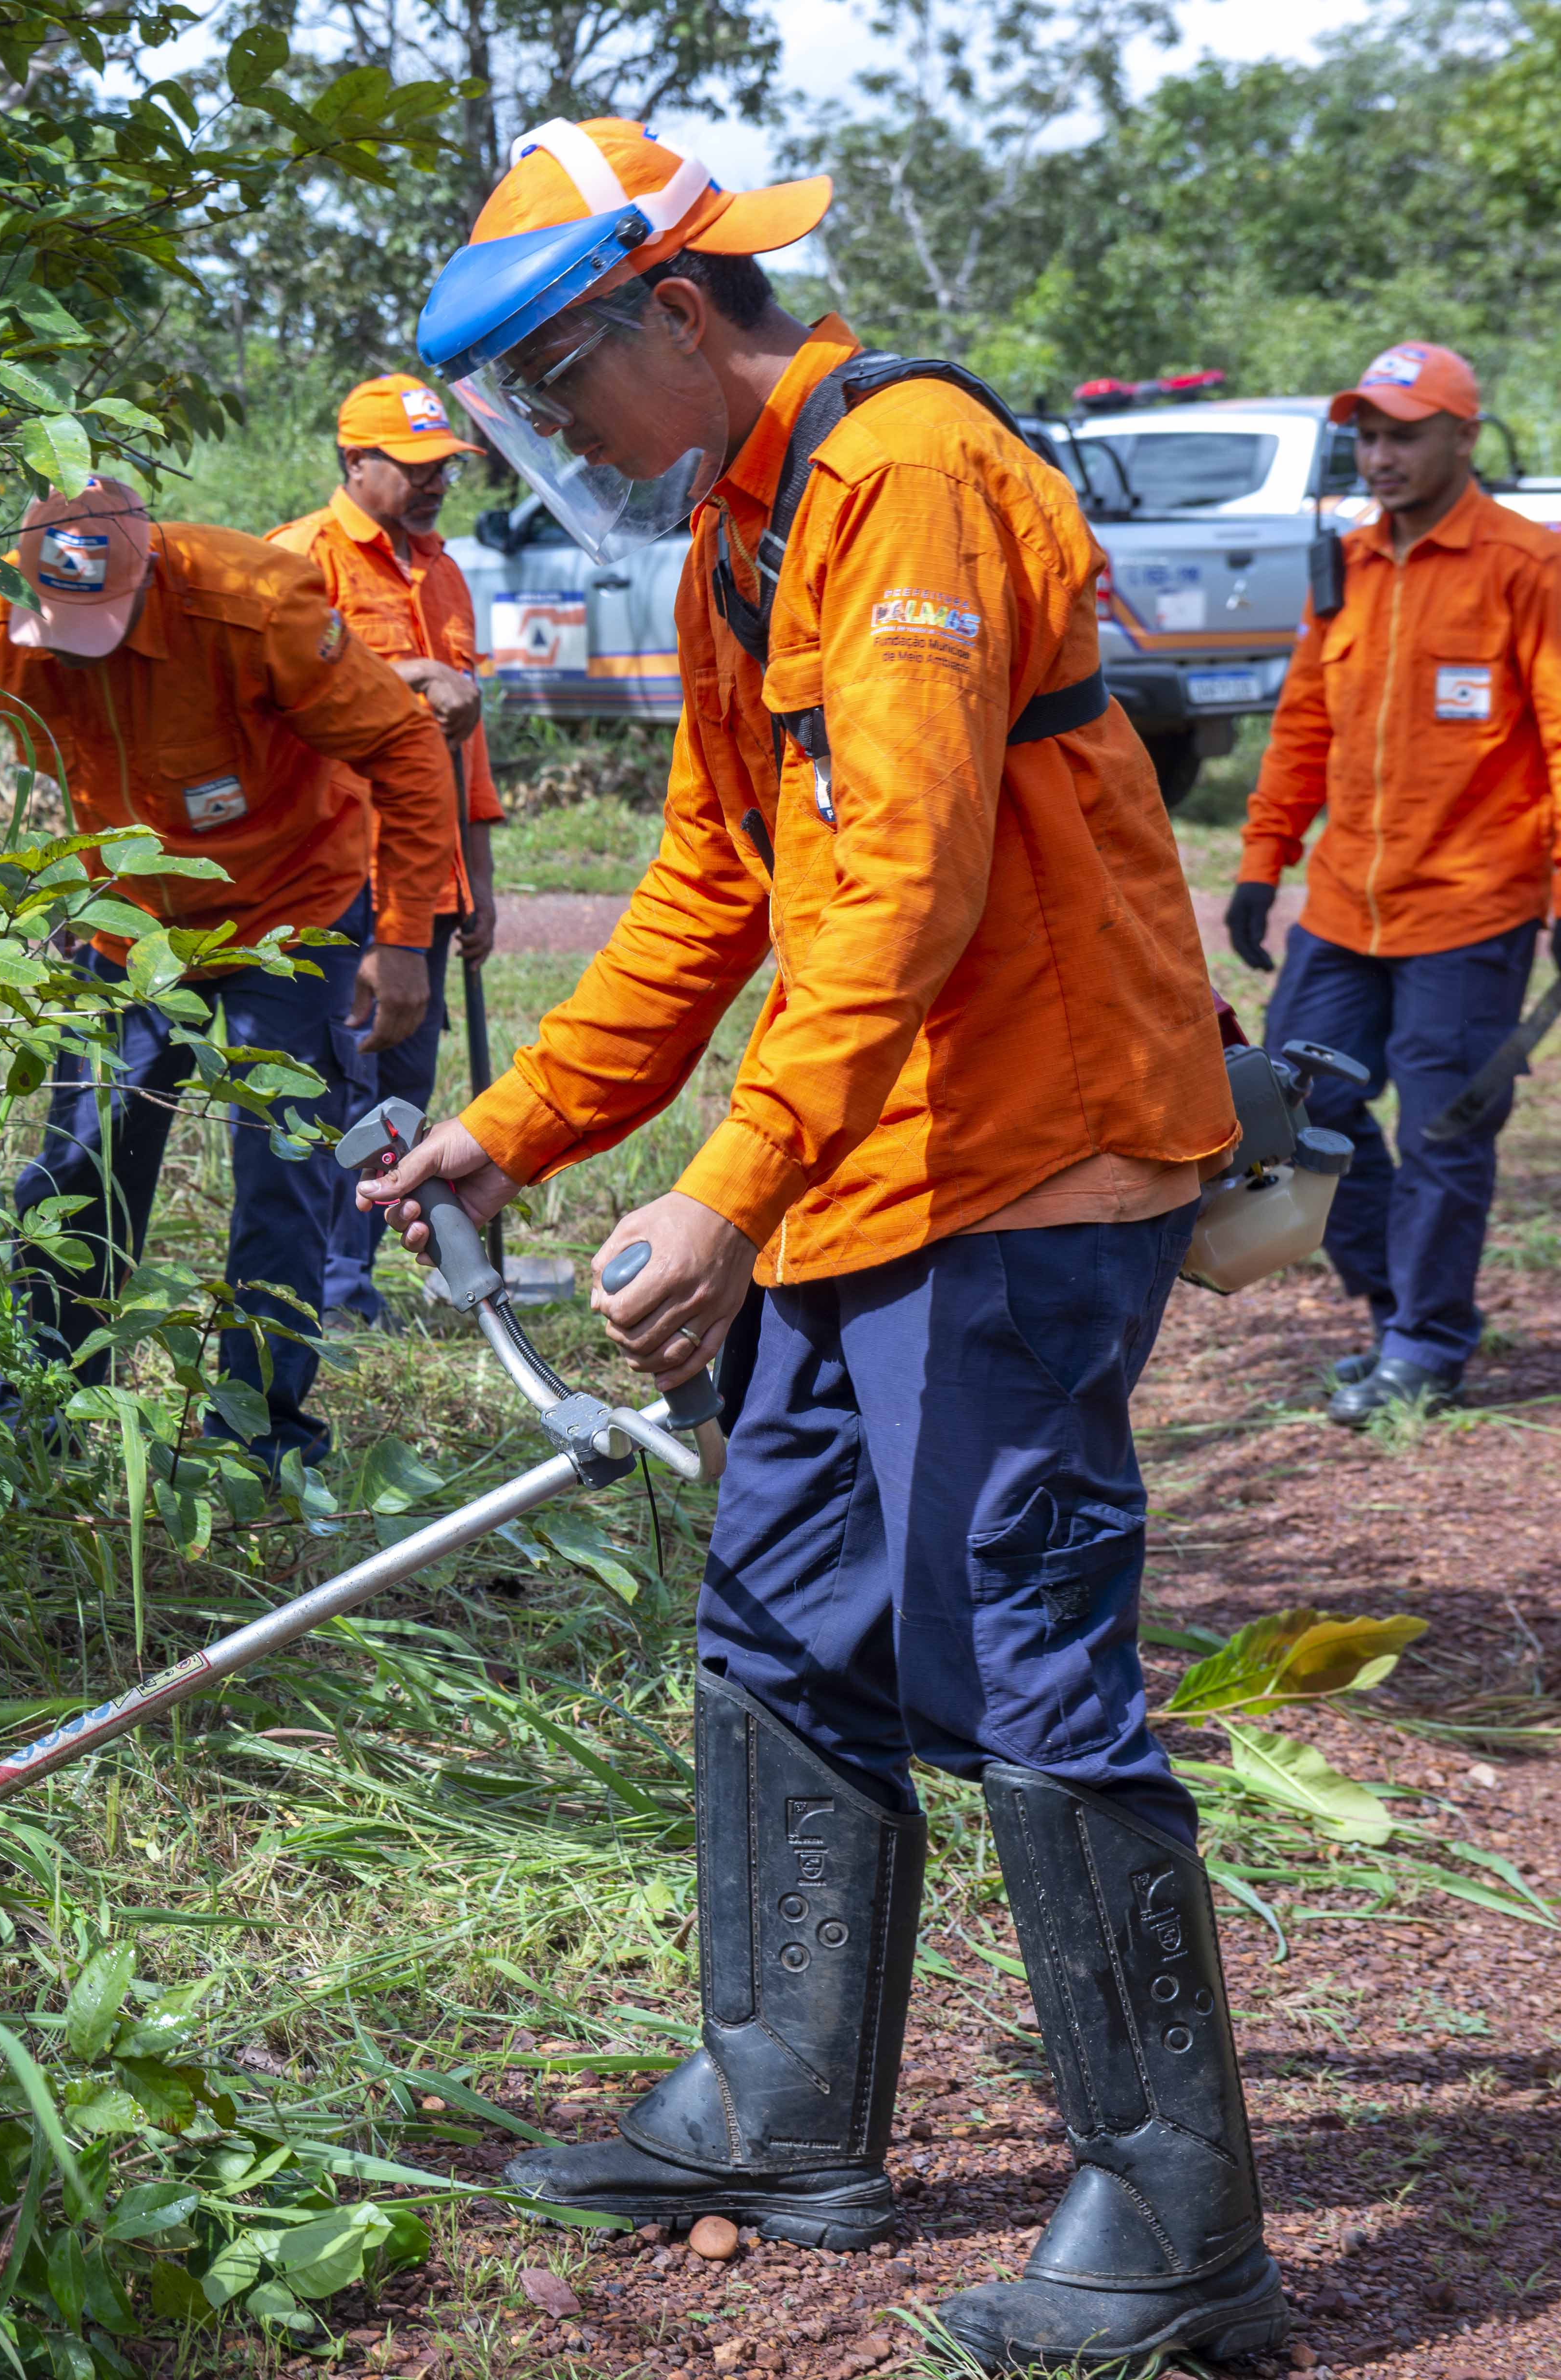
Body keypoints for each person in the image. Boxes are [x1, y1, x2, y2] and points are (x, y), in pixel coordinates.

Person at [363, 120, 1278, 2370]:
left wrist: (726, 1179)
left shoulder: (908, 476)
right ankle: (782, 2105)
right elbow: (712, 881)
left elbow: (905, 881)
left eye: (558, 380)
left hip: (1023, 1164)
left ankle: (1176, 2226)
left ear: (678, 313)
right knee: (779, 1615)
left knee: (1019, 1655)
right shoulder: (737, 531)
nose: (553, 432)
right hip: (868, 1167)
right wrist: (514, 1126)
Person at [0, 476, 456, 1464]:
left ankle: (258, 1441)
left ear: (151, 574)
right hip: (127, 930)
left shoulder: (254, 602)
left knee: (283, 1176)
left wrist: (406, 937)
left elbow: (404, 743)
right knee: (77, 1166)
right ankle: (42, 1418)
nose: (85, 651)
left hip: (287, 914)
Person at [1224, 341, 1561, 1426]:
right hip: (1342, 907)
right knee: (1290, 1107)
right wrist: (1260, 861)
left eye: (1403, 436)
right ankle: (1389, 1313)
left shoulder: (1526, 566)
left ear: (1465, 436)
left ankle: (1425, 1342)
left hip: (1470, 909)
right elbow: (1300, 726)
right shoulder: (1347, 565)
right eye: (1367, 436)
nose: (1380, 456)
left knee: (1443, 1130)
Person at [269, 375, 506, 1326]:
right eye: (413, 467)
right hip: (337, 877)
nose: (434, 482)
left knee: (405, 1087)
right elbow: (275, 705)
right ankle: (319, 1290)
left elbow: (465, 745)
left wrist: (478, 879)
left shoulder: (444, 572)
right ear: (354, 462)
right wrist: (409, 673)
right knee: (342, 1083)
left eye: (443, 465)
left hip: (429, 882)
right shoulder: (299, 558)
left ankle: (352, 1282)